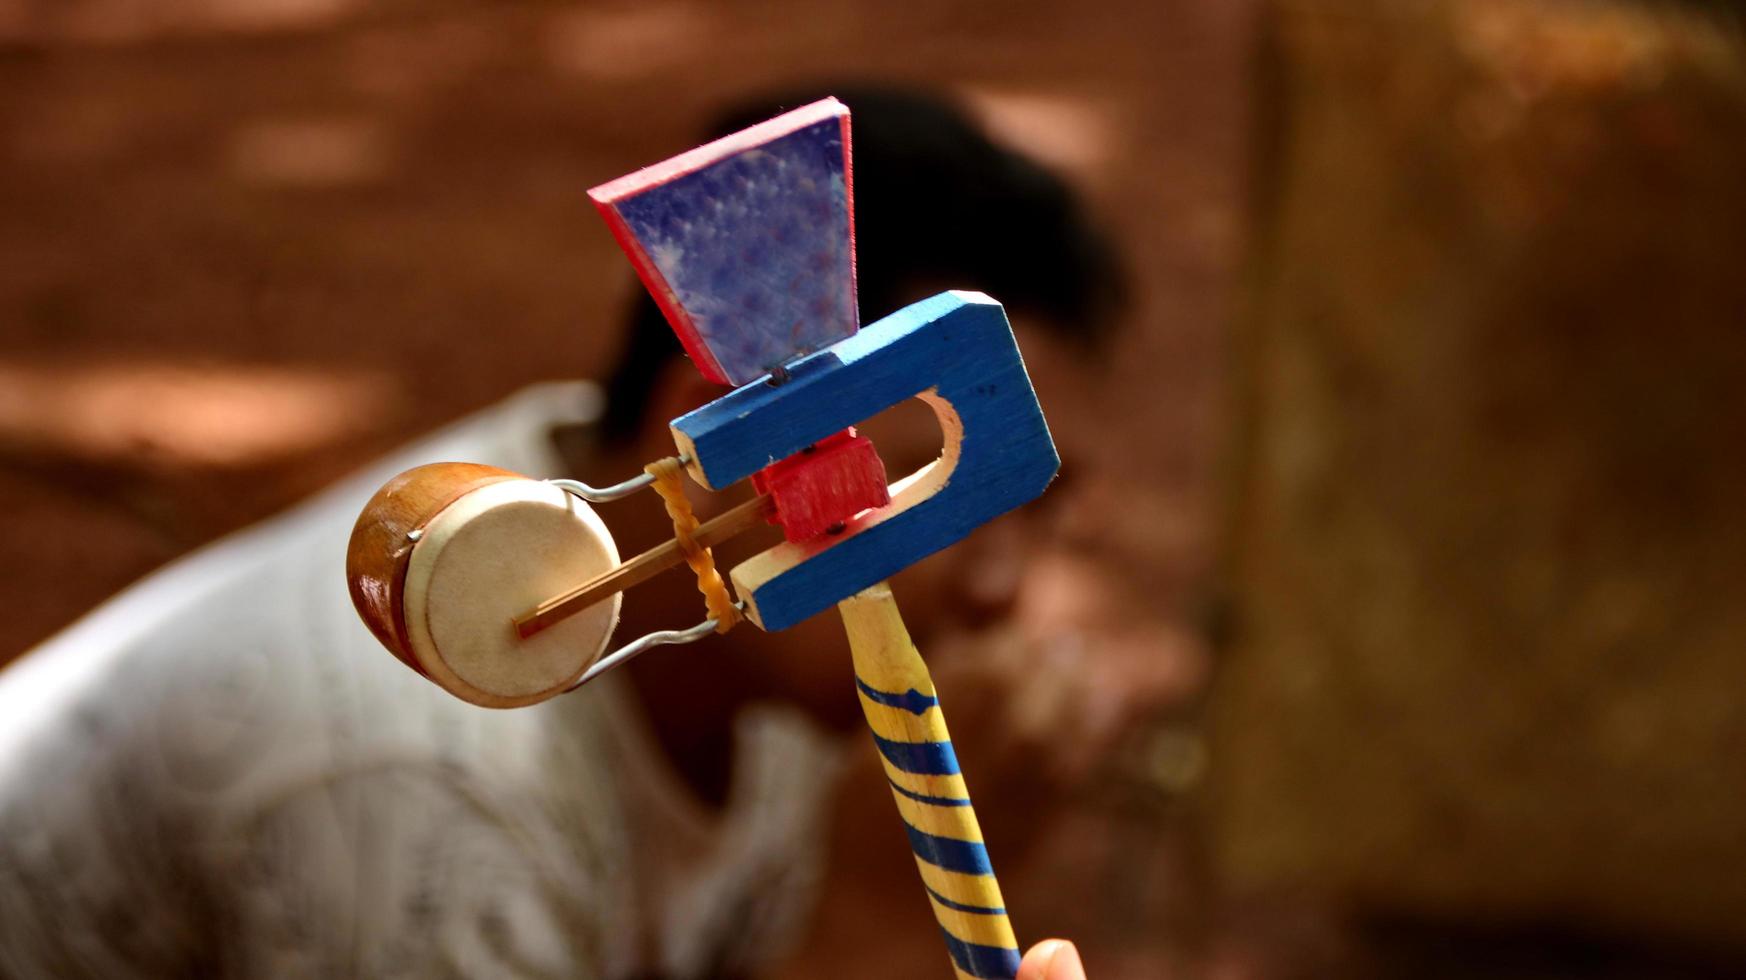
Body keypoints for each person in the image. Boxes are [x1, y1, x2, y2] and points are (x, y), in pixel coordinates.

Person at [0, 88, 1122, 978]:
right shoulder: (428, 794)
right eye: (926, 477)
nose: (1006, 589)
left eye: (1032, 501)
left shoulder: (764, 639)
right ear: (734, 433)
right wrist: (866, 935)